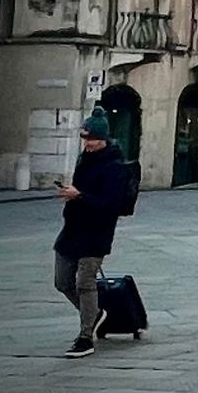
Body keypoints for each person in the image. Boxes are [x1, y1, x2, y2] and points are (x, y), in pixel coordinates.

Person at [52, 110, 130, 359]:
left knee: (85, 283)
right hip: (72, 229)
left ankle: (85, 337)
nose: (88, 143)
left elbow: (110, 205)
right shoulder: (83, 159)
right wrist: (71, 195)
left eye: (92, 139)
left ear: (103, 138)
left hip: (97, 233)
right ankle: (94, 314)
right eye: (85, 138)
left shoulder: (115, 167)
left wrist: (80, 196)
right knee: (62, 281)